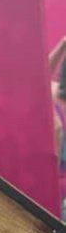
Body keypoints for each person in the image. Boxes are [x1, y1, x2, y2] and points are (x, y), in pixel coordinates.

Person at [50, 37, 66, 217]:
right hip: (51, 186)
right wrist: (62, 45)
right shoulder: (51, 90)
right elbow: (36, 79)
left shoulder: (51, 91)